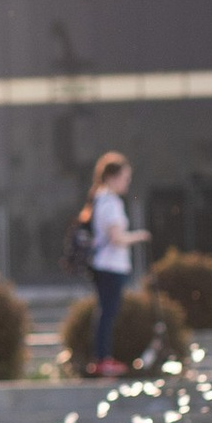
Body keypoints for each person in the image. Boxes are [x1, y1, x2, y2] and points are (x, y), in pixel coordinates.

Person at [78, 154, 145, 377]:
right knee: (107, 313)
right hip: (109, 266)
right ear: (111, 177)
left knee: (106, 312)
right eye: (125, 178)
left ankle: (102, 357)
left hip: (105, 266)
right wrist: (140, 236)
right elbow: (117, 237)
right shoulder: (110, 202)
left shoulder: (100, 199)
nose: (127, 183)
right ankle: (102, 358)